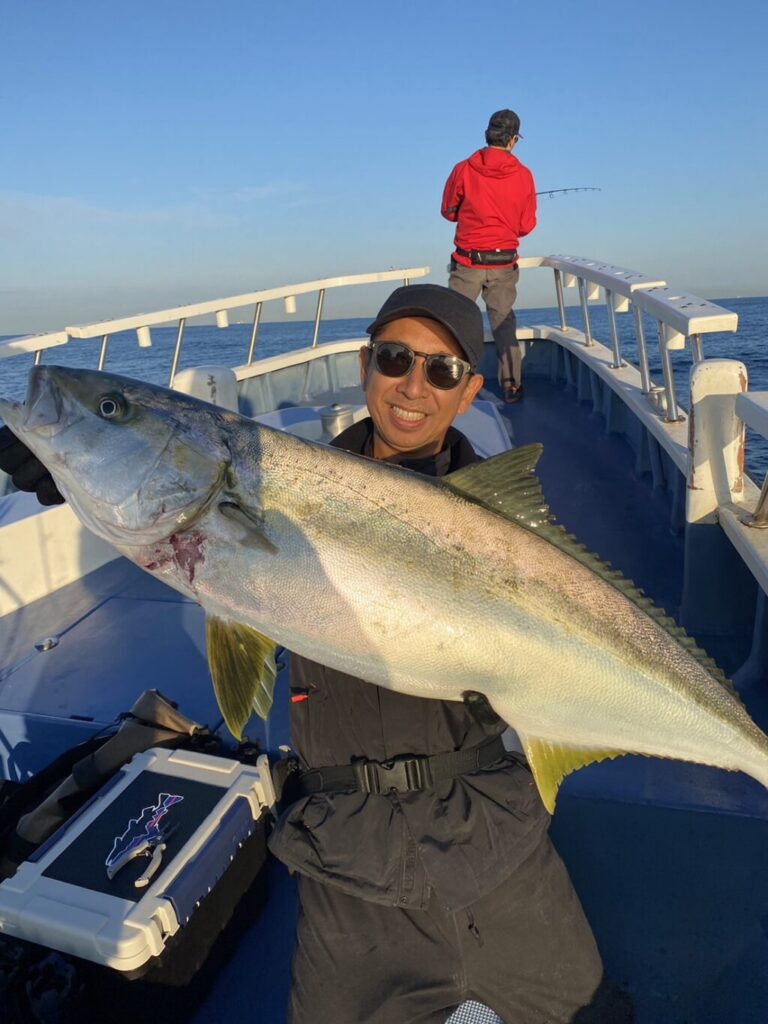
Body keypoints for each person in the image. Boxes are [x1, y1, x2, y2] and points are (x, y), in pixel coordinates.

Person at [0, 285, 631, 1024]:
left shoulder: (503, 529)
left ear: (469, 393)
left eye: (442, 370)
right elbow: (176, 516)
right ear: (365, 364)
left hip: (490, 822)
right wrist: (67, 465)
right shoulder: (279, 478)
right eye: (395, 359)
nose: (413, 386)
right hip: (344, 845)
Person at [442, 109, 537, 405]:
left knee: (454, 324)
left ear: (488, 135)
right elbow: (525, 226)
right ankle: (511, 386)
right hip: (503, 264)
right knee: (503, 324)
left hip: (467, 262)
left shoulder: (462, 169)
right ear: (512, 140)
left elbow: (448, 211)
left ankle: (448, 382)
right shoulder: (524, 175)